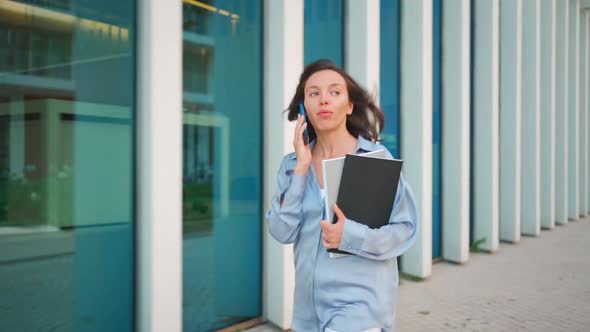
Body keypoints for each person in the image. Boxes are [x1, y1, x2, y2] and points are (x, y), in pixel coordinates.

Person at [266, 59, 419, 332]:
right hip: (307, 311)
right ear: (304, 108)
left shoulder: (373, 159)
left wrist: (349, 235)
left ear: (349, 106)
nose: (324, 99)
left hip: (360, 307)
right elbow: (281, 231)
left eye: (334, 92)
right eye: (314, 93)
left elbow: (405, 229)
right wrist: (301, 171)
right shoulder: (291, 164)